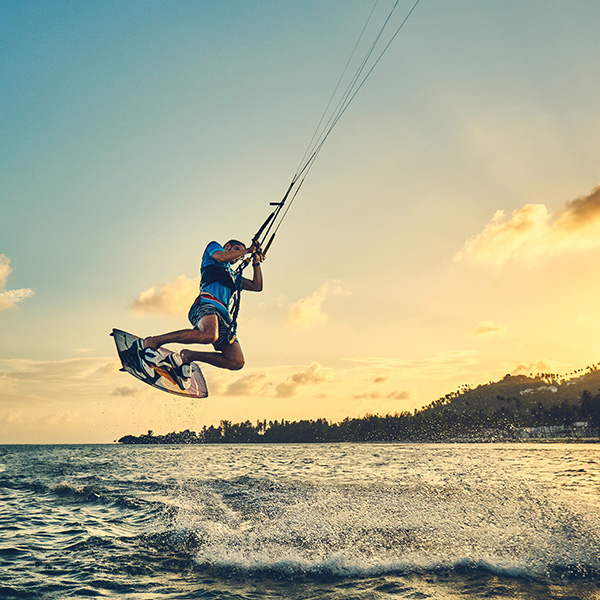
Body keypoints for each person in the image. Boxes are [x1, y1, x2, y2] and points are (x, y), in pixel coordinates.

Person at [139, 239, 263, 386]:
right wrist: (248, 250)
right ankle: (153, 341)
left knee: (236, 361)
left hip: (224, 318)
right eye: (236, 250)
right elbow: (221, 257)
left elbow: (257, 286)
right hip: (206, 304)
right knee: (209, 335)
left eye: (240, 255)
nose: (238, 256)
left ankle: (189, 356)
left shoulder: (234, 276)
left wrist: (256, 261)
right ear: (227, 246)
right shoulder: (214, 249)